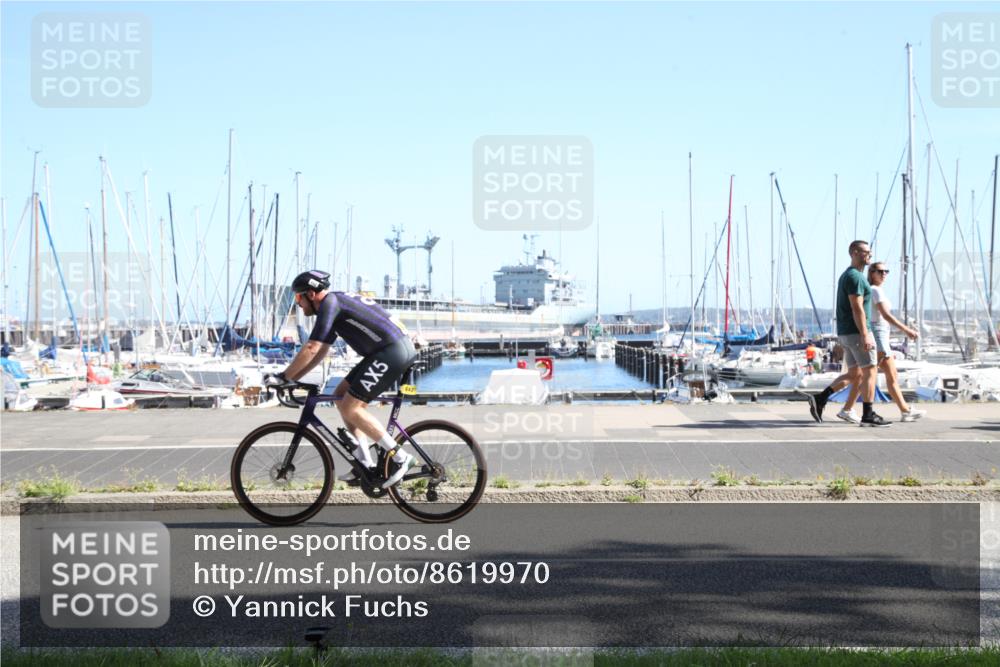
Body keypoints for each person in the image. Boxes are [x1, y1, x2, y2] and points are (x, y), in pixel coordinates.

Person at [266, 270, 418, 487]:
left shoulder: (330, 303)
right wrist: (292, 378)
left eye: (298, 297)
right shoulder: (331, 306)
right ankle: (364, 462)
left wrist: (283, 377)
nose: (297, 303)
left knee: (351, 407)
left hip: (392, 351)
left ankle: (400, 456)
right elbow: (320, 352)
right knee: (340, 397)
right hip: (384, 352)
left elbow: (311, 347)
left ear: (310, 294)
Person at [806, 240, 890, 427]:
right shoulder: (856, 277)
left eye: (870, 252)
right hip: (856, 332)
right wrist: (865, 333)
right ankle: (868, 414)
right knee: (870, 371)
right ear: (853, 253)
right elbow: (857, 307)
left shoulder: (848, 275)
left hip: (846, 332)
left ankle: (821, 399)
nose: (869, 255)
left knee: (855, 374)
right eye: (865, 252)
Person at [836, 262, 926, 424]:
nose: (884, 274)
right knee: (880, 376)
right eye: (880, 271)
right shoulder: (876, 291)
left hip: (879, 337)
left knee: (870, 376)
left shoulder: (871, 290)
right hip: (879, 338)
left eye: (886, 271)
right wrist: (907, 330)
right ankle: (904, 411)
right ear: (871, 272)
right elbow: (886, 316)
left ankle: (848, 409)